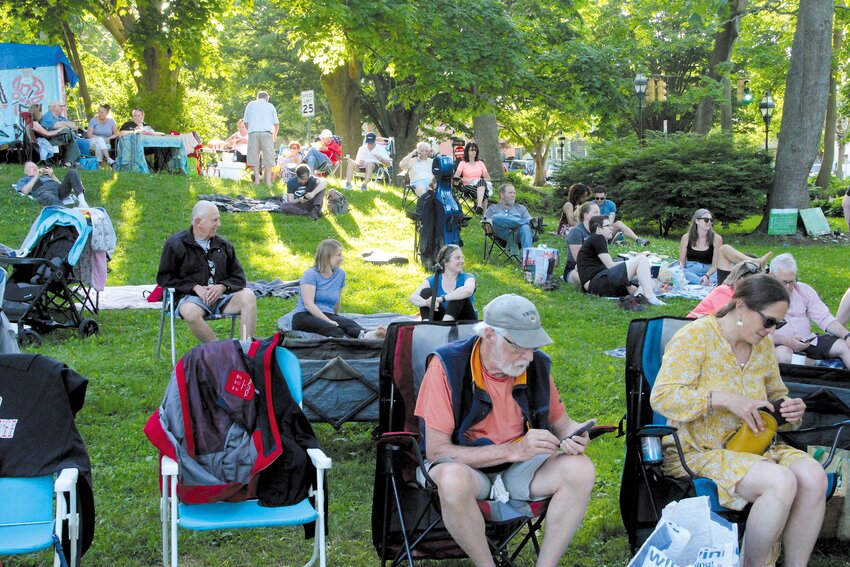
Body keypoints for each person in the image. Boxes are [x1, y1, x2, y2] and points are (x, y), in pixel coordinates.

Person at [651, 274, 826, 567]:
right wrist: (722, 398)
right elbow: (663, 397)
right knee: (779, 481)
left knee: (813, 477)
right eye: (769, 321)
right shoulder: (697, 337)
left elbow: (775, 397)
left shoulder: (763, 346)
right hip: (700, 449)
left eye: (778, 325)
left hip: (755, 444)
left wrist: (790, 410)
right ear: (741, 307)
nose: (771, 331)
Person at [414, 293, 596, 567]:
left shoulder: (535, 365)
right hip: (469, 469)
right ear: (489, 335)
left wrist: (575, 434)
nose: (529, 355)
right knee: (451, 479)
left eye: (533, 345)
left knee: (581, 469)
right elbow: (438, 451)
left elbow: (562, 423)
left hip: (521, 468)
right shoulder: (447, 365)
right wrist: (514, 450)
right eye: (519, 346)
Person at [156, 200, 257, 343]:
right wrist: (195, 287)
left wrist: (221, 287)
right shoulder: (176, 244)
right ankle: (220, 351)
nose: (219, 224)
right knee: (189, 312)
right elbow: (164, 278)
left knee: (249, 296)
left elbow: (239, 278)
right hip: (191, 300)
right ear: (198, 222)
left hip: (222, 298)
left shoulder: (223, 245)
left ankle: (246, 350)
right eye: (215, 220)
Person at [291, 239, 386, 339]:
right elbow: (309, 305)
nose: (341, 258)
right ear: (327, 257)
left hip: (327, 314)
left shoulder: (340, 274)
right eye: (338, 255)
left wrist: (337, 318)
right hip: (304, 316)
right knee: (333, 328)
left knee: (349, 324)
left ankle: (371, 335)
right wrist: (329, 321)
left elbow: (337, 300)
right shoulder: (310, 274)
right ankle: (354, 344)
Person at [768, 253, 850, 368]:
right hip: (781, 345)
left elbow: (824, 318)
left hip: (808, 342)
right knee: (782, 355)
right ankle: (818, 366)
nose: (788, 286)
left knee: (844, 345)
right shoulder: (762, 295)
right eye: (784, 282)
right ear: (771, 276)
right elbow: (757, 332)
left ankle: (841, 381)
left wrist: (847, 336)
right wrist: (786, 341)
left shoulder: (803, 290)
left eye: (792, 281)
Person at [576, 215, 665, 305]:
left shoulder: (593, 241)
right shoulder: (598, 238)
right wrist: (632, 270)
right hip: (596, 284)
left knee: (650, 281)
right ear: (598, 229)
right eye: (607, 226)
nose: (611, 228)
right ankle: (650, 296)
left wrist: (631, 264)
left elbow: (608, 267)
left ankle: (634, 300)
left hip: (599, 284)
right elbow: (610, 266)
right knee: (642, 259)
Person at [679, 208, 771, 286]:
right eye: (706, 220)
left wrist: (707, 275)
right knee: (674, 270)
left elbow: (715, 264)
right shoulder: (686, 238)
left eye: (711, 220)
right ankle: (702, 282)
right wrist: (679, 268)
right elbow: (682, 261)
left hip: (710, 270)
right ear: (697, 221)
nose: (709, 223)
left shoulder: (716, 238)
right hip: (691, 270)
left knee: (732, 267)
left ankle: (755, 263)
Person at [408, 245, 477, 321]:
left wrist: (441, 299)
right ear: (445, 262)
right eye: (458, 258)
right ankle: (426, 325)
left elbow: (468, 290)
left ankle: (445, 324)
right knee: (426, 292)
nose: (462, 261)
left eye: (462, 257)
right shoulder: (434, 279)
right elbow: (412, 297)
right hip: (440, 318)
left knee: (460, 293)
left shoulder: (468, 277)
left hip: (465, 322)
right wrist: (426, 302)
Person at [687, 261, 761, 318]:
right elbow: (725, 316)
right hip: (694, 324)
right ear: (738, 279)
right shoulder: (723, 291)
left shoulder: (741, 295)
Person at [483, 183, 535, 254]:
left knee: (526, 227)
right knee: (496, 217)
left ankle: (527, 260)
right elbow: (488, 223)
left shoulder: (521, 208)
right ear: (502, 195)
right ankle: (524, 222)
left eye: (514, 193)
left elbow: (533, 223)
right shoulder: (493, 208)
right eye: (510, 193)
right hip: (503, 233)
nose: (513, 195)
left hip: (520, 234)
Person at [243, 91, 280, 186]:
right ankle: (268, 181)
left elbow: (245, 122)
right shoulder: (270, 106)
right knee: (268, 157)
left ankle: (257, 181)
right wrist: (274, 135)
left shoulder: (250, 105)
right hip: (266, 133)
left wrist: (250, 130)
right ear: (267, 98)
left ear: (257, 97)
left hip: (253, 133)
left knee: (254, 156)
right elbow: (276, 124)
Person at [14, 161, 89, 208]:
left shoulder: (45, 177)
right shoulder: (24, 180)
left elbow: (61, 184)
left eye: (35, 167)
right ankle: (65, 212)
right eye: (31, 167)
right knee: (50, 198)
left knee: (72, 172)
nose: (34, 168)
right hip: (43, 190)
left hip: (58, 189)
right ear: (25, 172)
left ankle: (82, 202)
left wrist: (52, 175)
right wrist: (36, 176)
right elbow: (24, 191)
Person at [562, 201, 599, 287]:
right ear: (586, 215)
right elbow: (579, 259)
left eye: (599, 212)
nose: (599, 215)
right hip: (575, 269)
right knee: (586, 279)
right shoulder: (576, 231)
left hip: (595, 266)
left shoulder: (597, 231)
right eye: (596, 212)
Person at [452, 141, 491, 214]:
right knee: (485, 193)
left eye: (475, 150)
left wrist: (478, 180)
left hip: (480, 184)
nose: (474, 152)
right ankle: (484, 215)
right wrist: (469, 180)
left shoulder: (480, 163)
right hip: (467, 186)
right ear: (467, 151)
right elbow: (456, 177)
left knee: (481, 182)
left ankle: (479, 205)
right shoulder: (462, 163)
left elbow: (488, 178)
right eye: (471, 150)